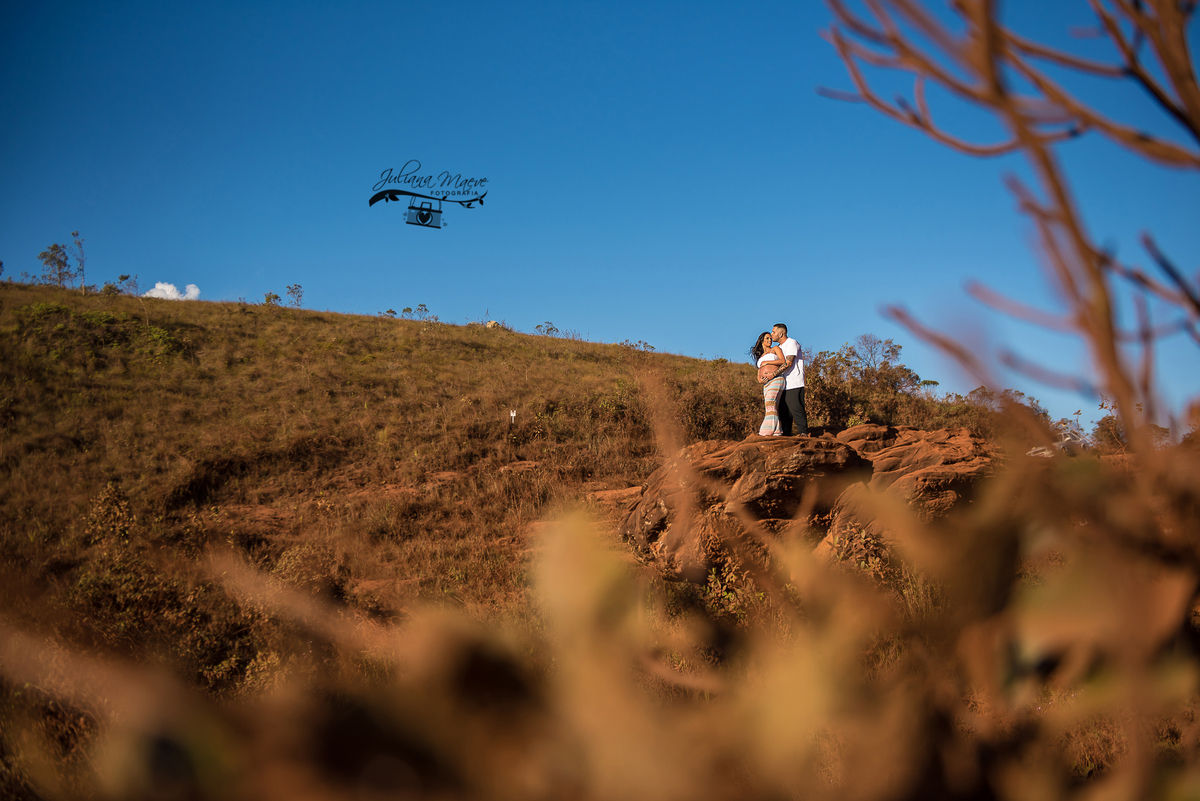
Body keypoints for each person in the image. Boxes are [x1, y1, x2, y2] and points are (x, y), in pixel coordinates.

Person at [758, 322, 807, 435]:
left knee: (796, 408)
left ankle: (803, 432)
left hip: (794, 381)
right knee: (784, 411)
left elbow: (788, 363)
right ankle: (786, 434)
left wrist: (773, 374)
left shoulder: (791, 343)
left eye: (774, 332)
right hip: (782, 382)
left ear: (780, 334)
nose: (772, 334)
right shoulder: (778, 348)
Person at [751, 331, 787, 436]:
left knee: (771, 403)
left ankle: (766, 431)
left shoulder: (775, 349)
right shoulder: (761, 355)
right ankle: (776, 431)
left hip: (776, 378)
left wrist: (768, 362)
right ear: (762, 340)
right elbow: (759, 370)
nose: (770, 340)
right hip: (765, 383)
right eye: (767, 338)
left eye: (770, 338)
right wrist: (759, 379)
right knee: (769, 406)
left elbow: (782, 361)